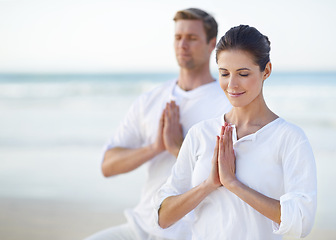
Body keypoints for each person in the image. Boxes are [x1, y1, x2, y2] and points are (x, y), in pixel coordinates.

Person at [155, 25, 317, 240]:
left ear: (266, 71)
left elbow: (301, 222)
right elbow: (164, 217)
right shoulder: (200, 134)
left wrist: (233, 184)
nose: (231, 84)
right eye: (224, 73)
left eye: (243, 73)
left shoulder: (289, 138)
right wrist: (209, 184)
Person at [85, 8, 231, 240]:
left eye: (192, 38)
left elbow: (227, 176)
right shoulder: (150, 100)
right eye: (178, 37)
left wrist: (177, 148)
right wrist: (155, 147)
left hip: (191, 233)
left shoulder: (227, 103)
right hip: (141, 226)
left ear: (211, 44)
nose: (183, 44)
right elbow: (107, 165)